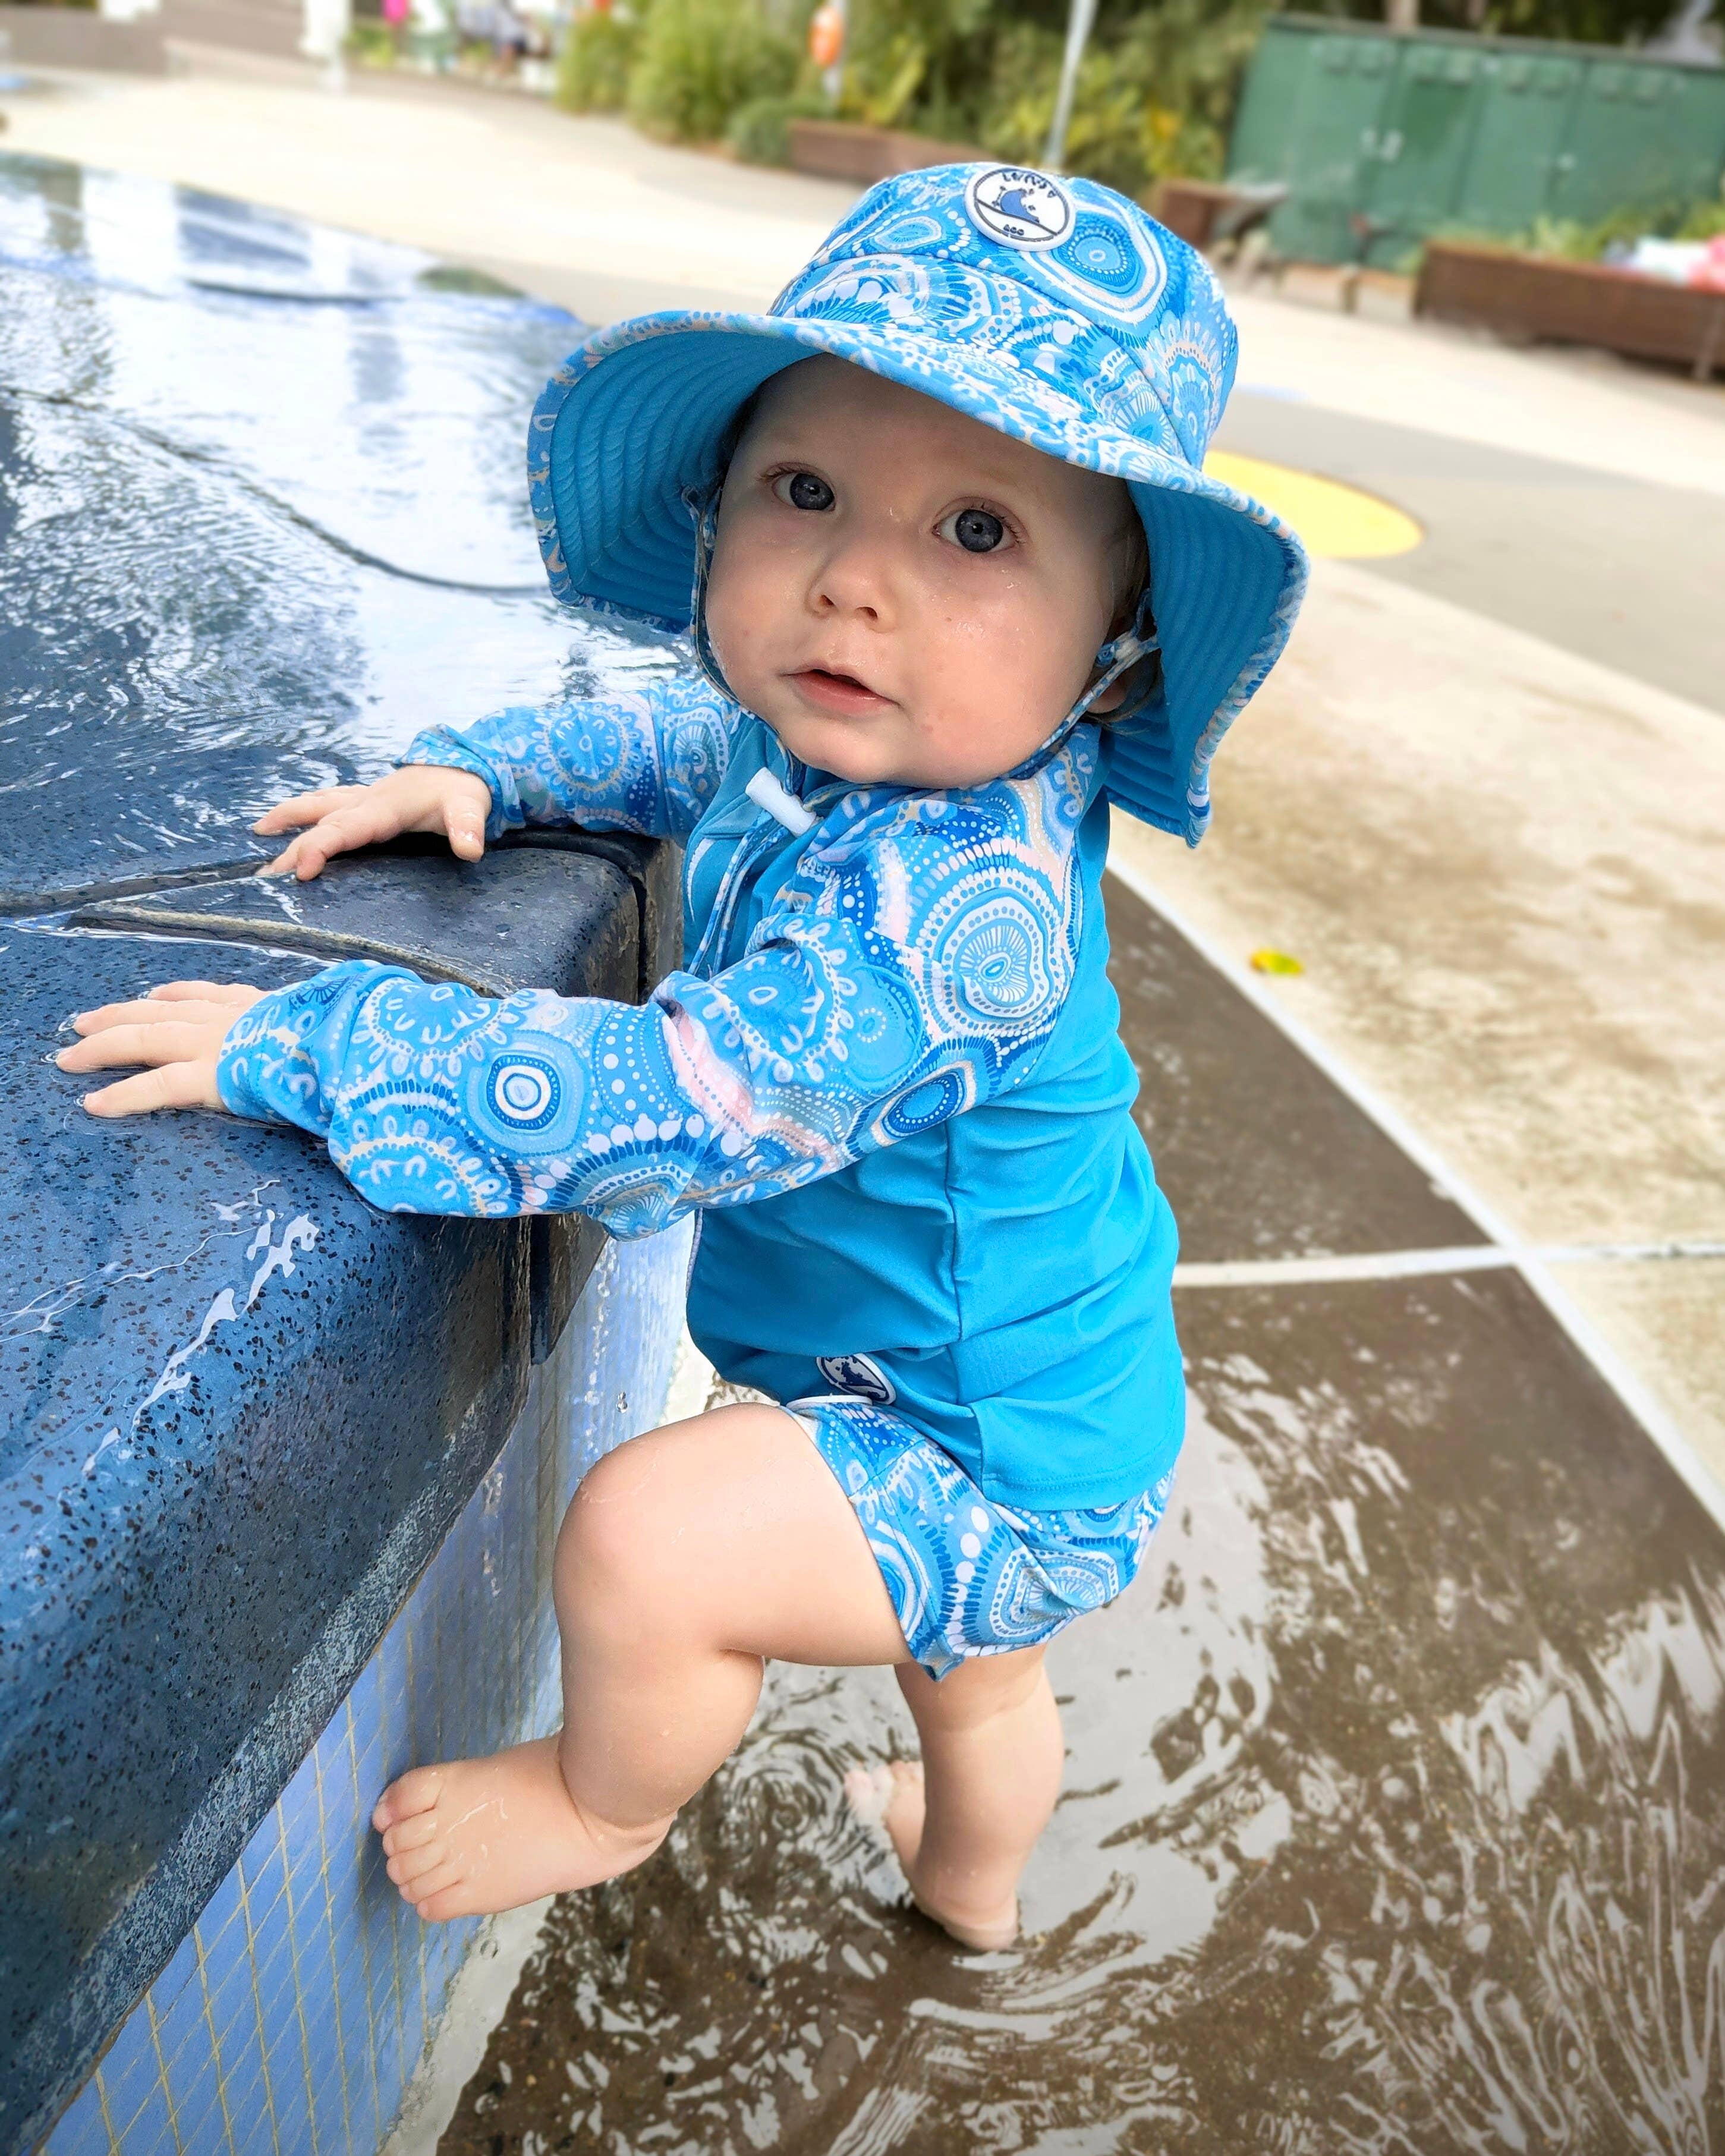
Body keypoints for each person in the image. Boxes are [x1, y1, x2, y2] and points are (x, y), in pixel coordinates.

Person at [56, 166, 1305, 1952]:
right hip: (1041, 1384)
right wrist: (491, 765)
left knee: (653, 1536)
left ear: (1121, 654)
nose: (853, 581)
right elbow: (682, 742)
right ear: (721, 513)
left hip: (986, 1462)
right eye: (807, 492)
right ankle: (971, 1889)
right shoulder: (872, 743)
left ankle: (603, 1803)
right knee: (980, 1695)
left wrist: (314, 1040)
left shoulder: (956, 926)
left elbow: (668, 1108)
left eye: (976, 531)